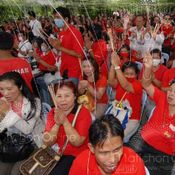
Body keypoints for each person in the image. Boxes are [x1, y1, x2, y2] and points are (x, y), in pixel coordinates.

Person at [69, 114, 146, 175]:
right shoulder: (81, 163)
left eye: (117, 149)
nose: (112, 160)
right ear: (91, 148)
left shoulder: (135, 164)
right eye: (104, 153)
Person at [43, 80, 92, 175]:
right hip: (56, 152)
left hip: (76, 154)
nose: (63, 100)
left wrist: (65, 122)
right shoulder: (53, 112)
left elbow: (77, 142)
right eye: (59, 96)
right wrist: (57, 124)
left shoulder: (83, 113)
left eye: (67, 96)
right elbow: (47, 142)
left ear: (74, 97)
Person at [137, 52, 175, 175]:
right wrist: (147, 68)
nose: (171, 94)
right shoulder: (162, 98)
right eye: (170, 90)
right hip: (144, 142)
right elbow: (146, 84)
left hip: (164, 156)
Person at [0, 72, 42, 175]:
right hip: (11, 145)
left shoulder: (34, 102)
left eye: (9, 89)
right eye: (1, 89)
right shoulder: (3, 102)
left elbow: (27, 130)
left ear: (20, 86)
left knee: (16, 172)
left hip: (33, 143)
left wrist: (8, 112)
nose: (5, 93)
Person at [108, 52, 142, 142]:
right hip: (117, 113)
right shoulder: (120, 81)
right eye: (126, 74)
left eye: (132, 74)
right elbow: (111, 81)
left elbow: (126, 85)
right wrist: (113, 64)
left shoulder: (138, 85)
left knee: (115, 138)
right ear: (122, 73)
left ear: (136, 75)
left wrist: (117, 66)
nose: (129, 76)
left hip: (131, 119)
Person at [48, 6, 84, 85]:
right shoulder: (61, 33)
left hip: (74, 71)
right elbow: (62, 50)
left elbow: (79, 54)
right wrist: (54, 44)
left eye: (58, 17)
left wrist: (60, 47)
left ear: (66, 19)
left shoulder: (75, 32)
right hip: (64, 70)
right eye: (55, 17)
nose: (55, 20)